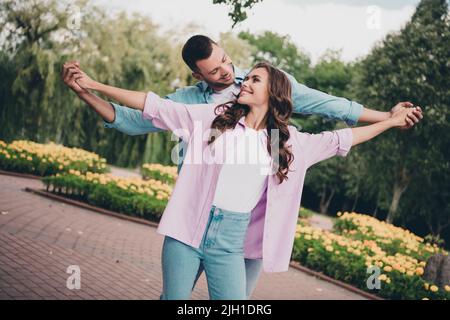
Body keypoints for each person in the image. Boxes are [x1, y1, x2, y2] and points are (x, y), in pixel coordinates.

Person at [63, 61, 422, 299]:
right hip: (187, 232)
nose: (243, 82)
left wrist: (390, 122)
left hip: (231, 243)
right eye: (246, 78)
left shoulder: (288, 141)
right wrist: (91, 85)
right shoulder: (214, 118)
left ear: (274, 92)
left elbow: (340, 138)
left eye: (254, 79)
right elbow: (155, 106)